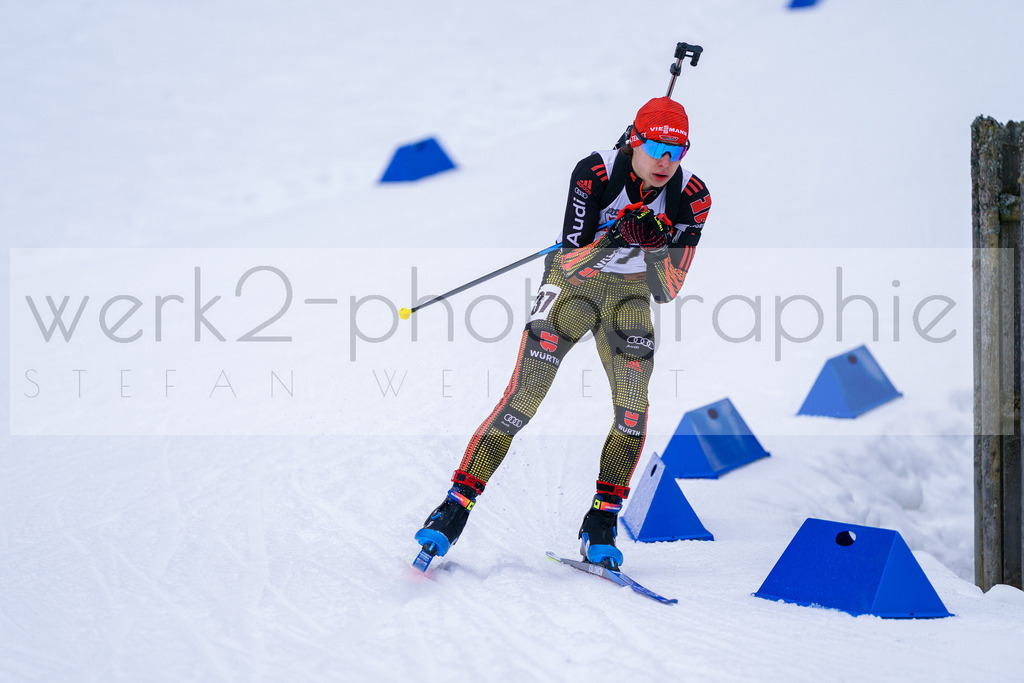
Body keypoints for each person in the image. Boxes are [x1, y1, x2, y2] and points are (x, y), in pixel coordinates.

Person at [414, 96, 712, 569]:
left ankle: (602, 521)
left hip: (630, 297)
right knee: (522, 401)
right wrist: (615, 237)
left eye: (676, 152)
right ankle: (454, 507)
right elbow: (571, 263)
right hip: (573, 288)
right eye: (656, 148)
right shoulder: (595, 173)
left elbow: (667, 290)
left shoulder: (691, 197)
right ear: (635, 141)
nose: (665, 161)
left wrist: (656, 248)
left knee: (633, 412)